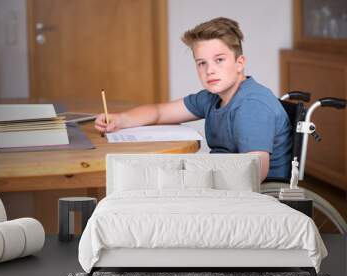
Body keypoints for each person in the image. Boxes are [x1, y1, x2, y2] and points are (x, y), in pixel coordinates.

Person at [95, 17, 292, 181]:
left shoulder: (251, 106)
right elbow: (159, 112)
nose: (210, 70)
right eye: (201, 63)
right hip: (222, 182)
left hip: (254, 195)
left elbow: (254, 173)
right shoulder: (212, 97)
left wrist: (195, 177)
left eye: (219, 60)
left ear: (239, 63)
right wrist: (119, 120)